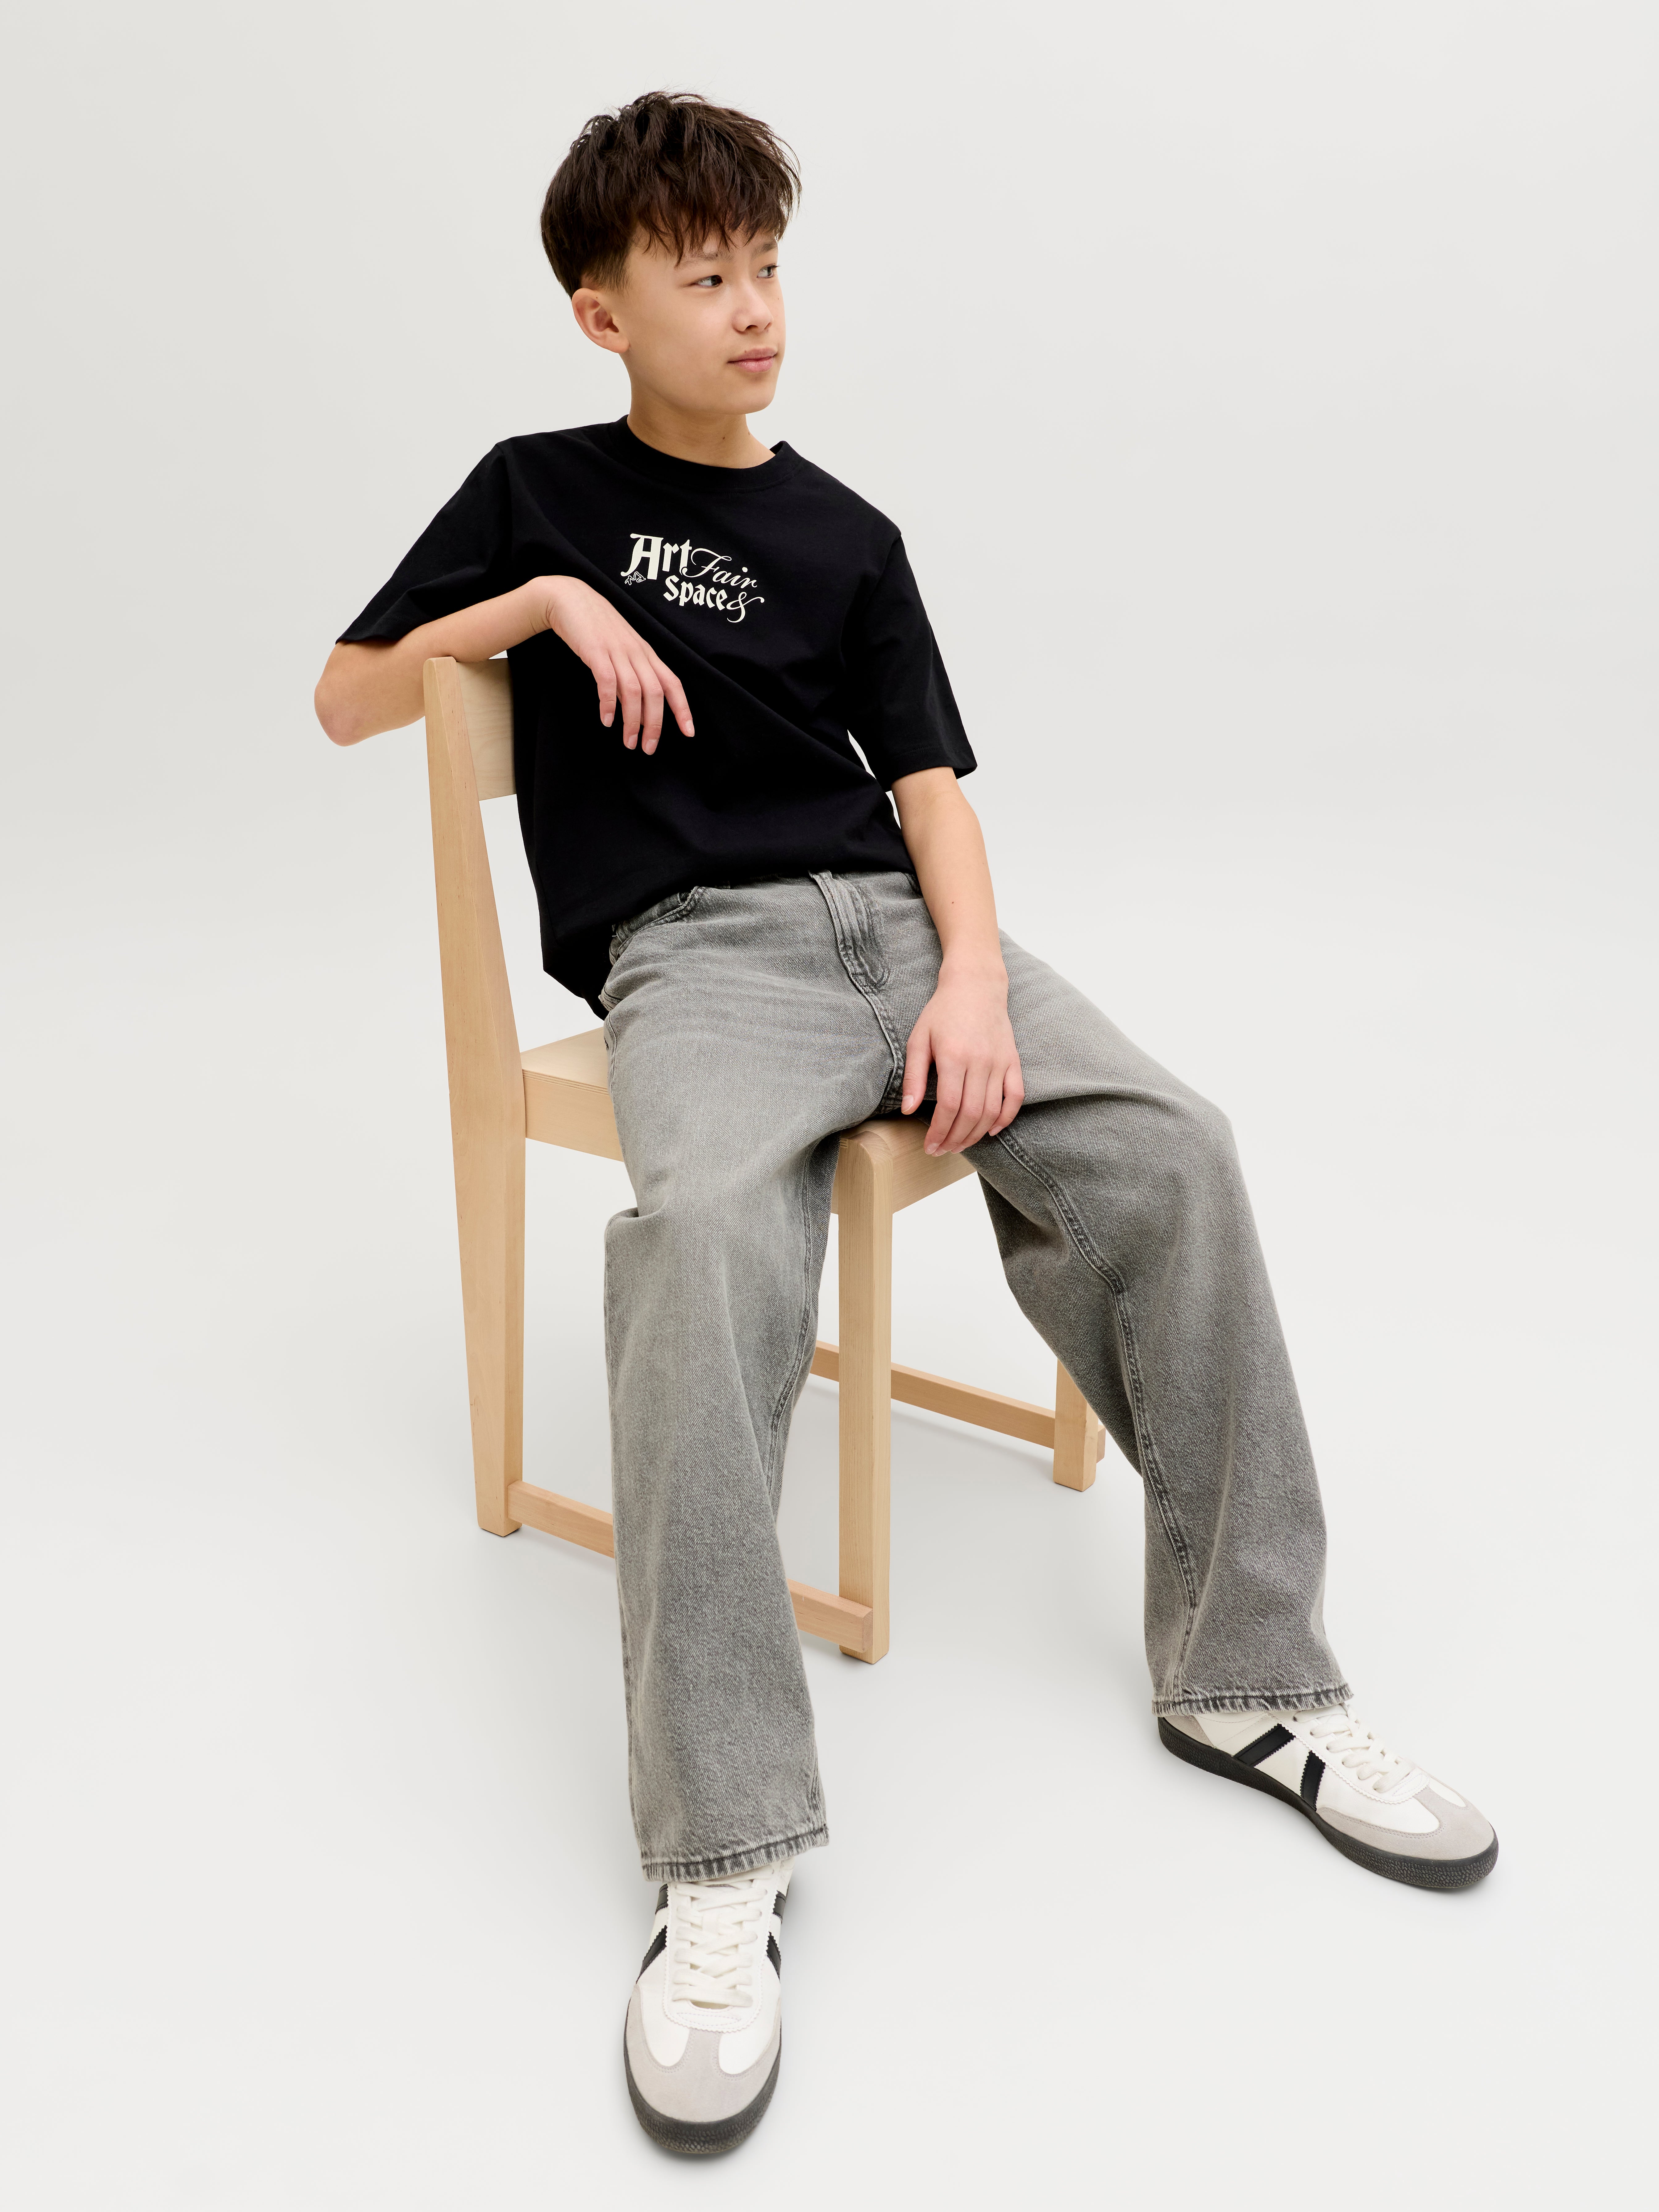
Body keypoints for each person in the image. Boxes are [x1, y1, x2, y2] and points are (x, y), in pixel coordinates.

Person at [314, 91, 1497, 2156]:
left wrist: (969, 978)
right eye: (708, 274)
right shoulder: (535, 491)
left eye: (771, 266)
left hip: (903, 927)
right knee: (702, 1241)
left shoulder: (850, 536)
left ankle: (1255, 1681)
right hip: (699, 959)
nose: (757, 308)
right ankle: (722, 1858)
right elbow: (345, 699)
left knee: (1181, 1147)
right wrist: (538, 611)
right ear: (603, 312)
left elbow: (932, 791)